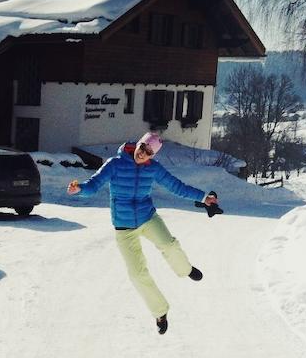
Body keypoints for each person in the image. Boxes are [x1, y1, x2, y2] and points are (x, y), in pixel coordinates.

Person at [67, 132, 218, 335]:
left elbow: (176, 186)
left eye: (149, 153)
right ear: (137, 145)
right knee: (137, 274)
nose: (143, 154)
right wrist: (80, 189)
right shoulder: (115, 164)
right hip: (124, 226)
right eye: (142, 148)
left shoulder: (153, 169)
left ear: (152, 155)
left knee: (170, 245)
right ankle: (160, 312)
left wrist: (203, 197)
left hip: (148, 218)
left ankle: (185, 269)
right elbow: (94, 183)